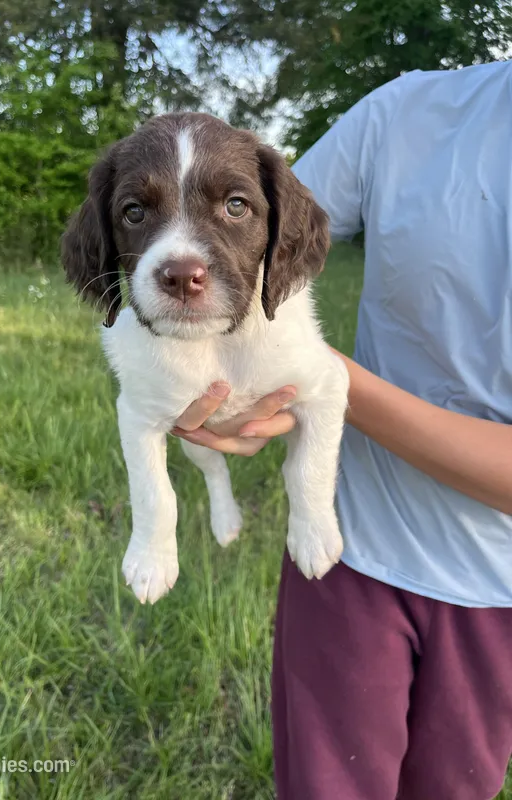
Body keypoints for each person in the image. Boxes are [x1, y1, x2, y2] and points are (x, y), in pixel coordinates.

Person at [171, 60, 512, 799]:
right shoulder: (409, 113)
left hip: (501, 598)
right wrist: (220, 361)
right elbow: (260, 230)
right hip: (346, 549)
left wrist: (318, 379)